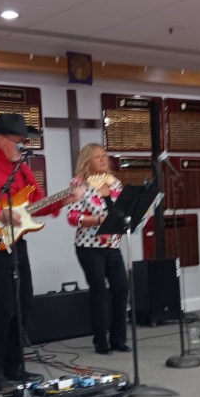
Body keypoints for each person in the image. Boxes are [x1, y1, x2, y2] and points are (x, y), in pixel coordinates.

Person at [0, 112, 76, 393]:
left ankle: (14, 366)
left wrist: (64, 200)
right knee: (2, 307)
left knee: (23, 304)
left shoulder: (22, 168)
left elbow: (35, 205)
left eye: (25, 141)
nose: (23, 145)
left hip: (16, 241)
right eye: (19, 140)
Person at [67, 143, 129, 355]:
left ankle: (118, 339)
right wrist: (97, 220)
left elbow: (123, 210)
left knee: (121, 288)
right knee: (99, 290)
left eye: (104, 155)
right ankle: (101, 341)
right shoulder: (78, 185)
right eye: (97, 157)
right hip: (89, 247)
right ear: (87, 162)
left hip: (112, 245)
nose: (103, 159)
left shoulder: (115, 183)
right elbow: (72, 217)